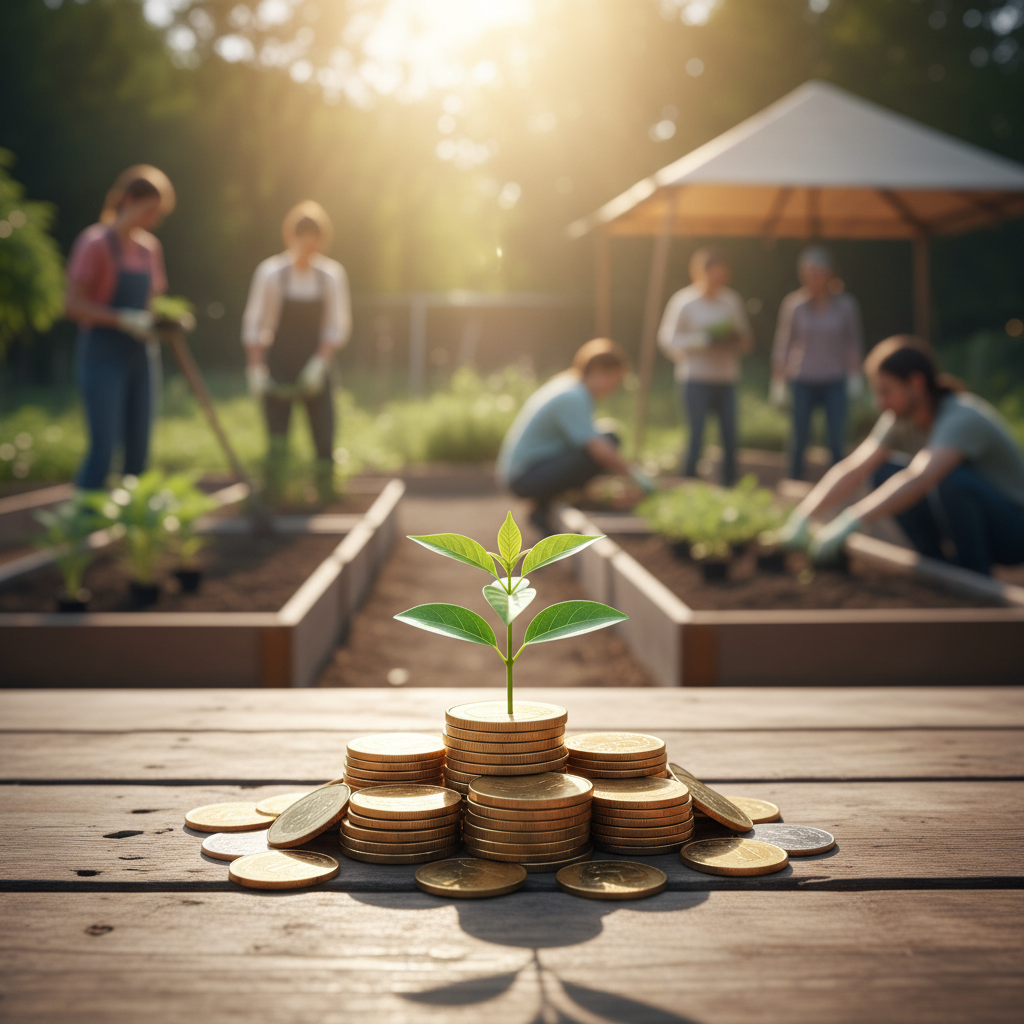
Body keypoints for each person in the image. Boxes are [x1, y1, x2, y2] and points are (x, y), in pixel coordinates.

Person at [778, 336, 1024, 576]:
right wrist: (803, 515)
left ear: (916, 383)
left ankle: (974, 574)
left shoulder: (961, 417)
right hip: (981, 522)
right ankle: (938, 568)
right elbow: (855, 468)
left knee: (952, 481)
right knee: (884, 472)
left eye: (886, 391)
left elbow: (920, 476)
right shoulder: (899, 418)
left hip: (1014, 532)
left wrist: (851, 520)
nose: (879, 403)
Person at [65, 165, 174, 490]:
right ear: (127, 200)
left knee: (139, 447)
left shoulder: (149, 248)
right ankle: (83, 523)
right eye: (148, 211)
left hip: (140, 352)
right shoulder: (95, 243)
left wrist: (163, 322)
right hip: (102, 351)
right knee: (104, 446)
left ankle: (132, 528)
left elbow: (153, 303)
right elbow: (72, 304)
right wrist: (122, 319)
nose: (153, 219)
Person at [242, 201, 351, 504]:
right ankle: (276, 492)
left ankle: (326, 493)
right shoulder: (271, 273)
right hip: (279, 362)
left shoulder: (330, 275)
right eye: (303, 243)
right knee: (277, 434)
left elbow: (336, 325)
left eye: (314, 245)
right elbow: (255, 324)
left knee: (324, 432)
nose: (307, 251)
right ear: (291, 238)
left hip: (316, 361)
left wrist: (319, 364)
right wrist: (256, 368)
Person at [497, 338, 651, 534]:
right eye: (615, 379)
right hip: (524, 476)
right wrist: (635, 475)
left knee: (606, 436)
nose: (615, 387)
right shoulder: (574, 396)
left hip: (528, 470)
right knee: (606, 443)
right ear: (598, 371)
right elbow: (597, 449)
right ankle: (543, 508)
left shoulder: (570, 385)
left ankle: (547, 504)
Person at [657, 247, 753, 485]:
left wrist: (731, 339)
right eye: (713, 276)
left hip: (726, 378)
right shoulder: (683, 302)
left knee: (730, 439)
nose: (717, 281)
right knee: (696, 437)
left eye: (722, 276)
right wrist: (702, 340)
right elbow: (668, 341)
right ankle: (688, 485)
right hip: (695, 378)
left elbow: (745, 340)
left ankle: (730, 487)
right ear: (699, 273)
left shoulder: (731, 301)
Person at [771, 246, 864, 480]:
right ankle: (794, 480)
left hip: (835, 378)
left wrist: (855, 376)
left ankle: (838, 482)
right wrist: (778, 381)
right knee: (799, 435)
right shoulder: (793, 304)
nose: (812, 278)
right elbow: (784, 344)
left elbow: (853, 342)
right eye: (807, 273)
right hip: (802, 378)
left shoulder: (846, 305)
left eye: (817, 272)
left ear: (829, 273)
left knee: (836, 437)